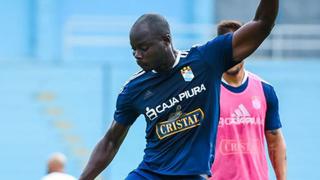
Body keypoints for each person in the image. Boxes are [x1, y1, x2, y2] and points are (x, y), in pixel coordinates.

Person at [79, 0, 279, 179]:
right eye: (134, 49)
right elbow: (110, 142)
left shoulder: (205, 60)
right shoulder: (133, 90)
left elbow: (262, 24)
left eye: (143, 48)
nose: (137, 55)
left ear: (166, 40)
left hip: (191, 176)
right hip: (149, 174)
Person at [210, 20, 287, 180]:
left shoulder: (265, 90)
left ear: (247, 48)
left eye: (237, 48)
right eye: (227, 49)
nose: (232, 54)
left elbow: (275, 140)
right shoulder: (206, 92)